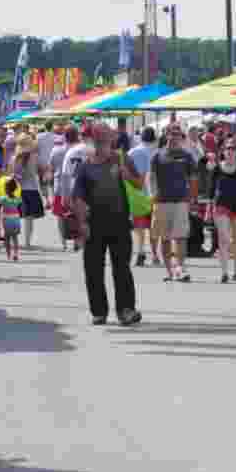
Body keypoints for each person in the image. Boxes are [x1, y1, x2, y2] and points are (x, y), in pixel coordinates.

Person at [72, 124, 143, 326]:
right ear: (93, 140)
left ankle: (126, 310)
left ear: (111, 140)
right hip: (94, 223)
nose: (104, 143)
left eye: (107, 139)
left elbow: (139, 183)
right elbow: (77, 196)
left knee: (122, 268)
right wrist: (82, 223)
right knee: (93, 268)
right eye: (100, 139)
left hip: (120, 221)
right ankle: (99, 311)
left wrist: (126, 175)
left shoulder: (122, 159)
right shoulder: (86, 165)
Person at [151, 123, 198, 282]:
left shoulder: (187, 156)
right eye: (171, 133)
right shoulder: (158, 155)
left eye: (177, 134)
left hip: (180, 201)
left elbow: (193, 179)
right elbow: (151, 177)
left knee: (180, 237)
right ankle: (169, 271)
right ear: (166, 135)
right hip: (162, 202)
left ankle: (180, 268)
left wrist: (191, 199)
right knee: (164, 238)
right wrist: (153, 194)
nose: (174, 136)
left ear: (181, 136)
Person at [210, 140, 236, 283]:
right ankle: (224, 272)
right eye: (228, 148)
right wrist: (209, 207)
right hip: (221, 205)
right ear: (223, 151)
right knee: (225, 238)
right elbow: (211, 191)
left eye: (233, 148)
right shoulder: (217, 168)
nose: (230, 151)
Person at [61, 124, 96, 249]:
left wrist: (64, 195)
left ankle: (78, 240)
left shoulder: (72, 151)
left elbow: (65, 174)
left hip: (74, 187)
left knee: (78, 216)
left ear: (82, 136)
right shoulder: (96, 150)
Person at [128, 126, 159, 267]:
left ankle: (140, 250)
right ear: (154, 139)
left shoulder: (132, 152)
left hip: (136, 194)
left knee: (139, 226)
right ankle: (154, 254)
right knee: (153, 225)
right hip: (154, 193)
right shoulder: (157, 153)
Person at [11, 133, 44, 250]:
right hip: (31, 189)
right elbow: (37, 171)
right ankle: (27, 242)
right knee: (29, 218)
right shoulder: (33, 157)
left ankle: (16, 240)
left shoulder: (14, 157)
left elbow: (13, 174)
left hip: (18, 189)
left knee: (15, 216)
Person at [0, 177, 23, 261]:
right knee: (15, 237)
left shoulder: (3, 199)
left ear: (6, 189)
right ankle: (16, 253)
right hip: (16, 219)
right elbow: (21, 209)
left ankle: (8, 254)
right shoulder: (18, 199)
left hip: (7, 220)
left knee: (7, 238)